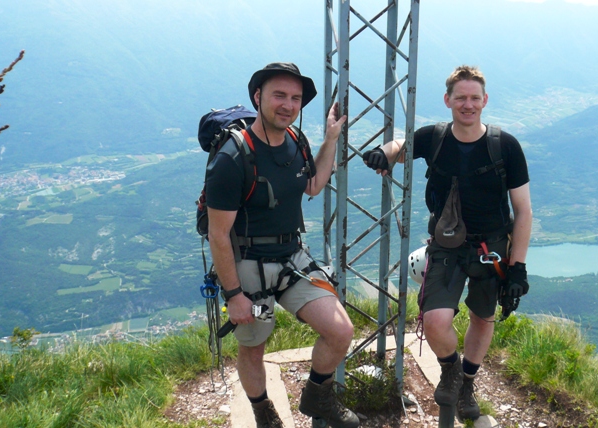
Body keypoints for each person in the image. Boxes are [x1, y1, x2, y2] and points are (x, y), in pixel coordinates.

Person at [362, 65, 532, 421]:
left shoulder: (506, 147)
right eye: (460, 98)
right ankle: (452, 369)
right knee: (435, 320)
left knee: (483, 318)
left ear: (484, 100)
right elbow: (401, 145)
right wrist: (384, 152)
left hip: (493, 248)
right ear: (447, 100)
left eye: (474, 98)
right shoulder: (434, 137)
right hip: (446, 245)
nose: (467, 105)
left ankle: (466, 383)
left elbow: (523, 210)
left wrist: (518, 267)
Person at [206, 62, 359, 428]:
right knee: (253, 347)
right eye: (279, 95)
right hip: (247, 262)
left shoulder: (296, 141)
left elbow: (313, 184)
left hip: (291, 255)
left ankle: (316, 395)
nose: (289, 105)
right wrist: (234, 295)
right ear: (257, 97)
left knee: (341, 330)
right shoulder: (232, 158)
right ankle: (263, 412)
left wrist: (331, 139)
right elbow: (218, 234)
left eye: (296, 98)